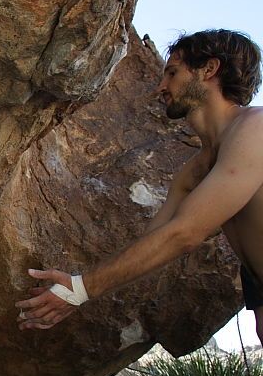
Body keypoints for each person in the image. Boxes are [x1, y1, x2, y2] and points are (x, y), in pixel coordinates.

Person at [15, 29, 263, 343]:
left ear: (209, 70)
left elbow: (184, 234)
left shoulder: (255, 128)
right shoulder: (195, 170)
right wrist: (77, 290)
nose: (161, 86)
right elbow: (155, 242)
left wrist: (80, 289)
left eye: (172, 73)